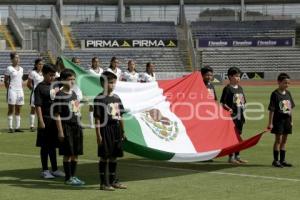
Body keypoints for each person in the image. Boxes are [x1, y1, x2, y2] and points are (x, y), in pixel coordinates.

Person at [94, 71, 127, 191]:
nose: (113, 85)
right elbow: (97, 118)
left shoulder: (116, 97)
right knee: (105, 156)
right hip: (105, 130)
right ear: (103, 83)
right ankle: (103, 183)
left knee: (114, 156)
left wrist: (123, 131)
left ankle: (113, 181)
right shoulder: (99, 98)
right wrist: (98, 135)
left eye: (114, 82)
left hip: (116, 129)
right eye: (110, 83)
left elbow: (120, 115)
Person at [54, 69, 85, 186]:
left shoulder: (74, 93)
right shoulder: (60, 95)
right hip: (66, 127)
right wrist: (60, 131)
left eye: (73, 79)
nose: (72, 81)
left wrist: (80, 122)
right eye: (69, 79)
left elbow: (76, 110)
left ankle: (73, 176)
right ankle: (68, 178)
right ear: (63, 80)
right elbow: (57, 115)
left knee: (76, 153)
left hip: (76, 126)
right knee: (68, 153)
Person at [34, 64, 64, 179]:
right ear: (44, 74)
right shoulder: (40, 88)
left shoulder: (55, 84)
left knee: (52, 145)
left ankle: (55, 169)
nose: (52, 77)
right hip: (45, 119)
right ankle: (45, 170)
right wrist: (41, 121)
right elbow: (38, 105)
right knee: (44, 146)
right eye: (50, 75)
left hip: (54, 120)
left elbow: (65, 78)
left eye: (53, 75)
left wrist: (61, 66)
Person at [220, 67, 247, 164]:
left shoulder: (240, 88)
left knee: (238, 136)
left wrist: (244, 108)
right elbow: (223, 103)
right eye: (236, 76)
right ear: (230, 77)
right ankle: (231, 157)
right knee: (232, 137)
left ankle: (237, 156)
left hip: (240, 116)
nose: (238, 78)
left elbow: (243, 101)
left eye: (239, 76)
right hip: (232, 117)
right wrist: (229, 109)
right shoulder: (227, 89)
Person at [267, 73, 295, 168]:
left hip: (287, 120)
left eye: (288, 83)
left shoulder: (288, 93)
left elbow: (290, 108)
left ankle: (283, 160)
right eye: (285, 83)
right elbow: (272, 109)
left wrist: (291, 120)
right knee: (278, 140)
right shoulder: (275, 94)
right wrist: (270, 123)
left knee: (284, 140)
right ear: (279, 82)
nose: (287, 85)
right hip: (278, 121)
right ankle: (276, 160)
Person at [4, 52, 24, 133]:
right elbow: (5, 81)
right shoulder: (9, 68)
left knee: (18, 109)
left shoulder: (22, 69)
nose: (18, 59)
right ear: (12, 59)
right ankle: (10, 127)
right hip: (12, 90)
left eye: (18, 58)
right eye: (16, 58)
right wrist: (9, 89)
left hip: (20, 90)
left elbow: (20, 80)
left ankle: (17, 127)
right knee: (11, 109)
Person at [27, 58, 44, 131]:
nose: (41, 65)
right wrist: (34, 90)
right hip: (35, 94)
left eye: (42, 64)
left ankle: (41, 124)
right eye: (39, 64)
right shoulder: (32, 73)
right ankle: (32, 125)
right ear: (36, 65)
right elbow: (28, 84)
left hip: (43, 94)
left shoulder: (45, 72)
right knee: (33, 109)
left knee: (42, 109)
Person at [88, 57, 103, 128]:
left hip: (100, 90)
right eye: (95, 62)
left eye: (97, 61)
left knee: (101, 106)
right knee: (91, 107)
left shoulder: (102, 70)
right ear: (92, 62)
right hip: (92, 91)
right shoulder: (90, 71)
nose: (96, 63)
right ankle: (91, 124)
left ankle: (101, 122)